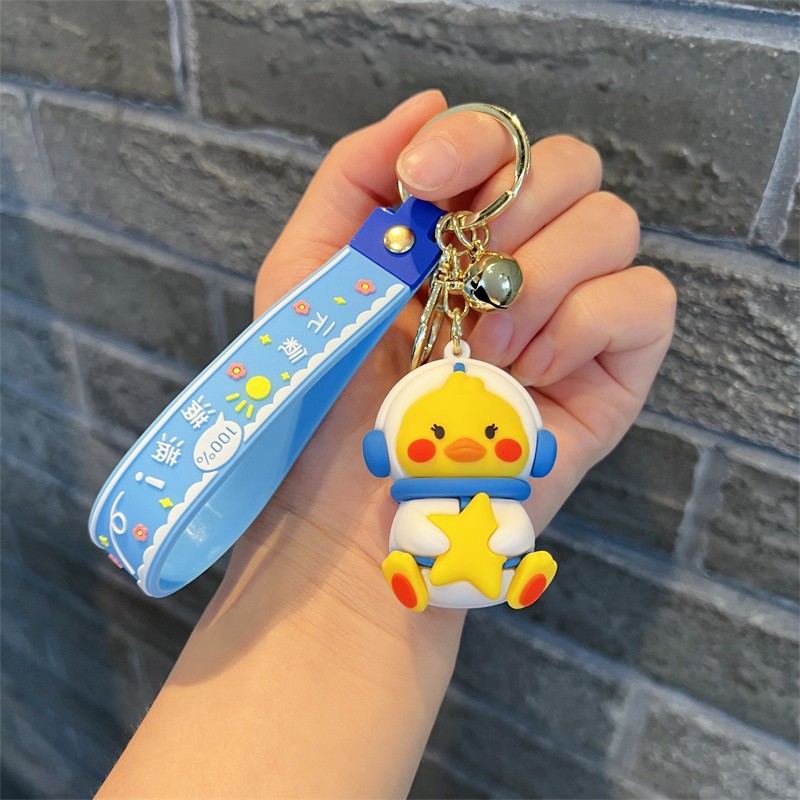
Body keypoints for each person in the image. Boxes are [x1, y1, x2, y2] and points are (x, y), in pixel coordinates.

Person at [95, 90, 676, 798]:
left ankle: (514, 571)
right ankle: (480, 569)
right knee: (460, 537)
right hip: (423, 512)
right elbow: (384, 455)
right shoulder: (404, 430)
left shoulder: (474, 413)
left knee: (501, 541)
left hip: (468, 520)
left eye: (497, 437)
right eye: (437, 438)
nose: (469, 447)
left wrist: (357, 596)